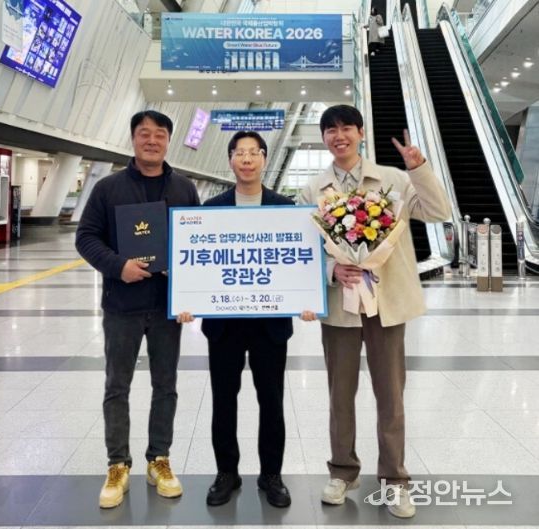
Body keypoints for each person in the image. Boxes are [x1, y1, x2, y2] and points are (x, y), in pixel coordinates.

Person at [299, 105, 451, 518]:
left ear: (361, 132)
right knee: (340, 395)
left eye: (346, 127)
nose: (339, 135)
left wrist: (419, 168)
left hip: (386, 305)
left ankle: (395, 480)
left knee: (391, 395)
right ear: (324, 138)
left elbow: (438, 212)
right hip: (340, 308)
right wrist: (331, 270)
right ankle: (342, 471)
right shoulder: (313, 190)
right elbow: (304, 248)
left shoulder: (393, 179)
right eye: (331, 130)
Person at [75, 110, 200, 509]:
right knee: (117, 386)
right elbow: (85, 237)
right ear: (132, 139)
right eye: (144, 133)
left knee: (166, 386)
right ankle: (118, 464)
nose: (151, 140)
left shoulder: (184, 188)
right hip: (122, 306)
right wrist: (118, 267)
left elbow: (197, 243)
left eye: (159, 134)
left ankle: (158, 459)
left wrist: (189, 290)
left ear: (168, 141)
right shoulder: (108, 188)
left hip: (166, 308)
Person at [181, 130, 294, 508]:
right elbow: (198, 260)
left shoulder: (285, 208)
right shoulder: (211, 209)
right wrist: (187, 300)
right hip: (224, 324)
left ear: (264, 159)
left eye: (253, 152)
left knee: (272, 401)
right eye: (239, 153)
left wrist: (307, 298)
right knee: (223, 401)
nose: (247, 159)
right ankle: (226, 472)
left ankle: (271, 474)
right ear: (230, 160)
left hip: (270, 325)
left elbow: (296, 262)